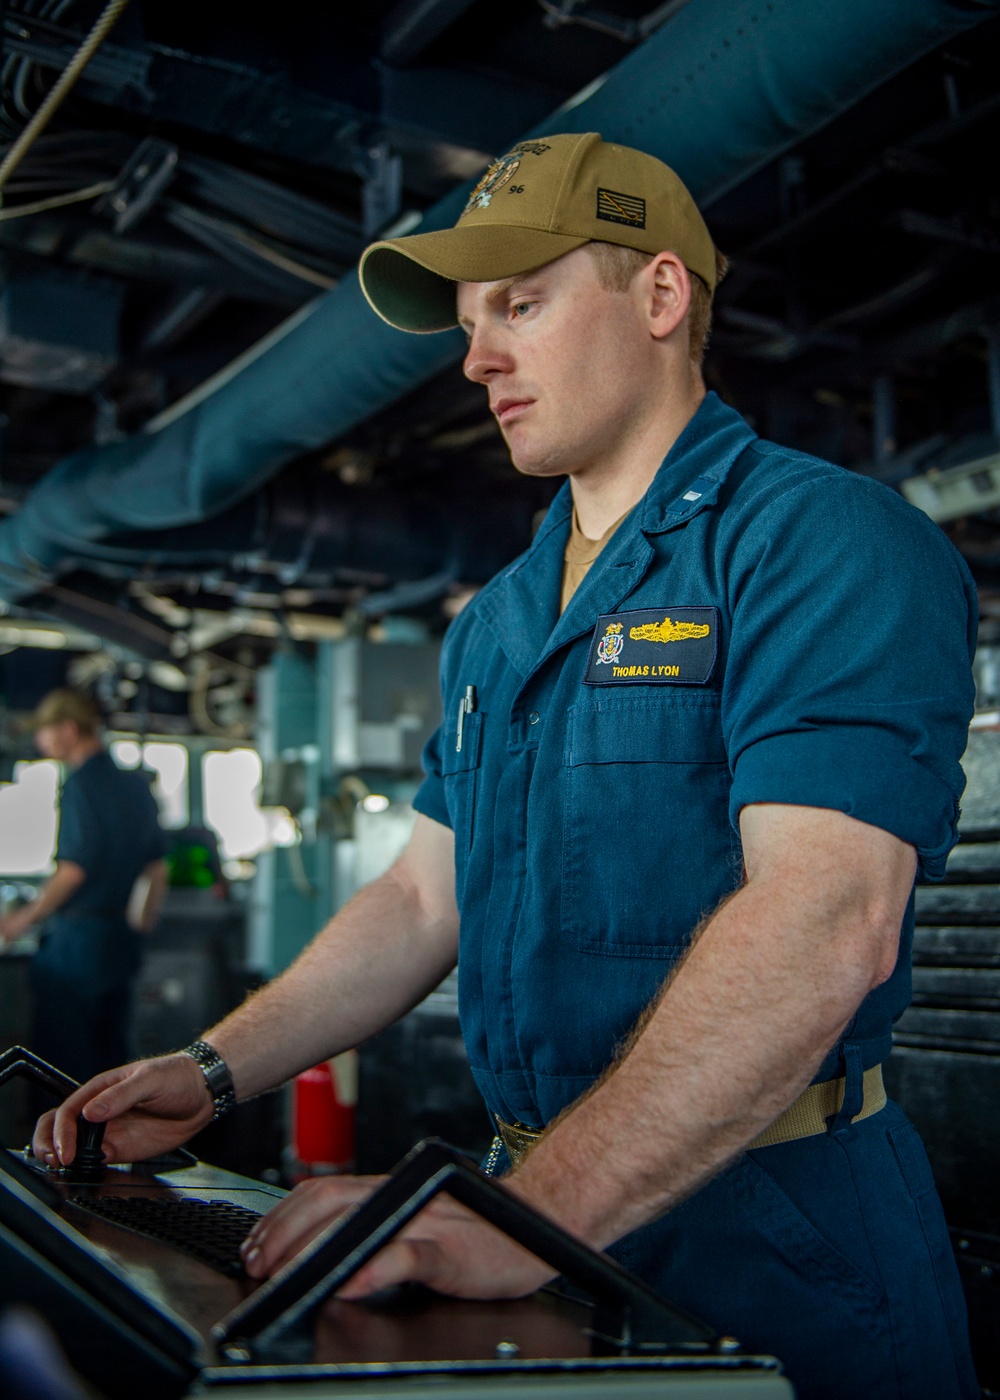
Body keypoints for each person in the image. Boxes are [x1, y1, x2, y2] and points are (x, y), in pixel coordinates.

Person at [34, 135, 978, 1399]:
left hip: (770, 1224)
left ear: (659, 296)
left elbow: (826, 920)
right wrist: (211, 1069)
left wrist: (524, 1212)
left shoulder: (822, 541)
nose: (476, 357)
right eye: (470, 321)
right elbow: (427, 897)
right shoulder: (497, 619)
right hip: (536, 1195)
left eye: (520, 303)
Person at [0, 689, 168, 1084]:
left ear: (68, 730)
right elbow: (157, 868)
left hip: (78, 942)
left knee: (60, 1066)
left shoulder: (80, 786)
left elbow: (74, 869)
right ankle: (109, 1145)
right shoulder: (135, 785)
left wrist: (22, 920)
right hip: (120, 942)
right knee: (110, 1061)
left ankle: (60, 1146)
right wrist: (139, 925)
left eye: (44, 731)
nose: (41, 741)